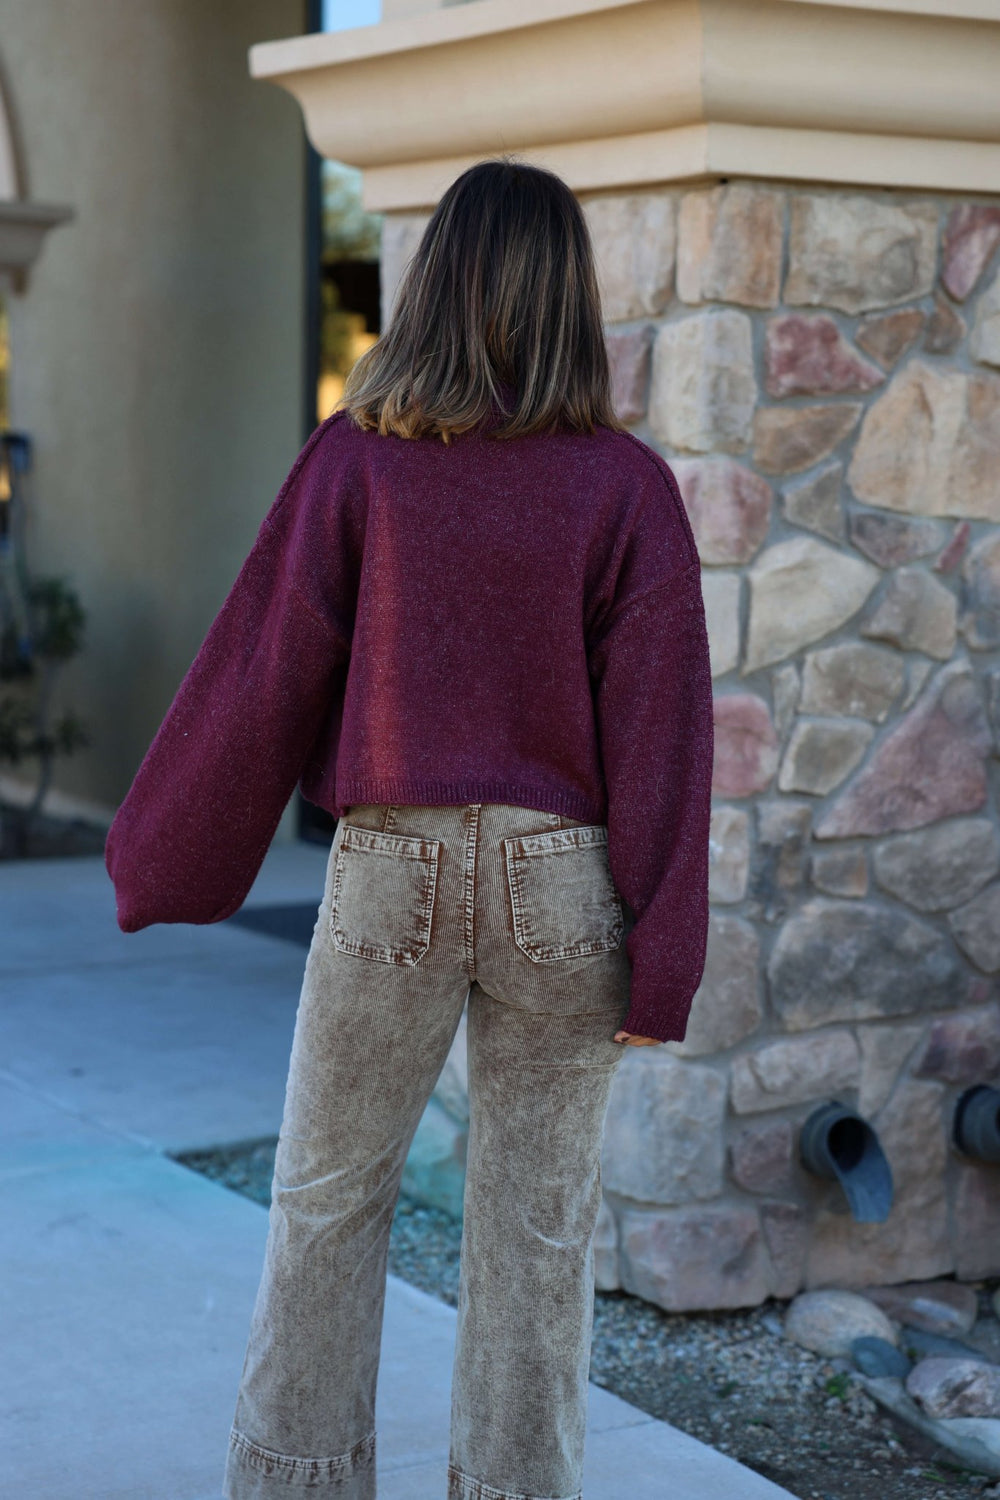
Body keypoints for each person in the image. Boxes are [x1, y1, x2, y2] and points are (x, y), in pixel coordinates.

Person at [104, 155, 714, 1500]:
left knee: (327, 1206)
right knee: (539, 1237)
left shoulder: (358, 463)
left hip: (394, 871)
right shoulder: (624, 486)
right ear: (571, 296)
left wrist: (156, 853)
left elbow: (261, 674)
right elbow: (666, 734)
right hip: (567, 885)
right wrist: (662, 956)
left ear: (434, 286)